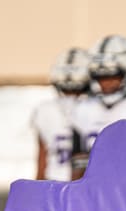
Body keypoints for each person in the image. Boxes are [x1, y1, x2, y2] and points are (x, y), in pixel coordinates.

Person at [71, 34, 126, 179]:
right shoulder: (83, 109)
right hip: (93, 187)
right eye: (100, 77)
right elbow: (78, 165)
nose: (106, 83)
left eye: (112, 75)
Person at [33, 47, 91, 181]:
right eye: (65, 90)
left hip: (91, 188)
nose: (71, 97)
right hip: (55, 184)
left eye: (77, 89)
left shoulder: (100, 110)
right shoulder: (46, 111)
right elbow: (42, 162)